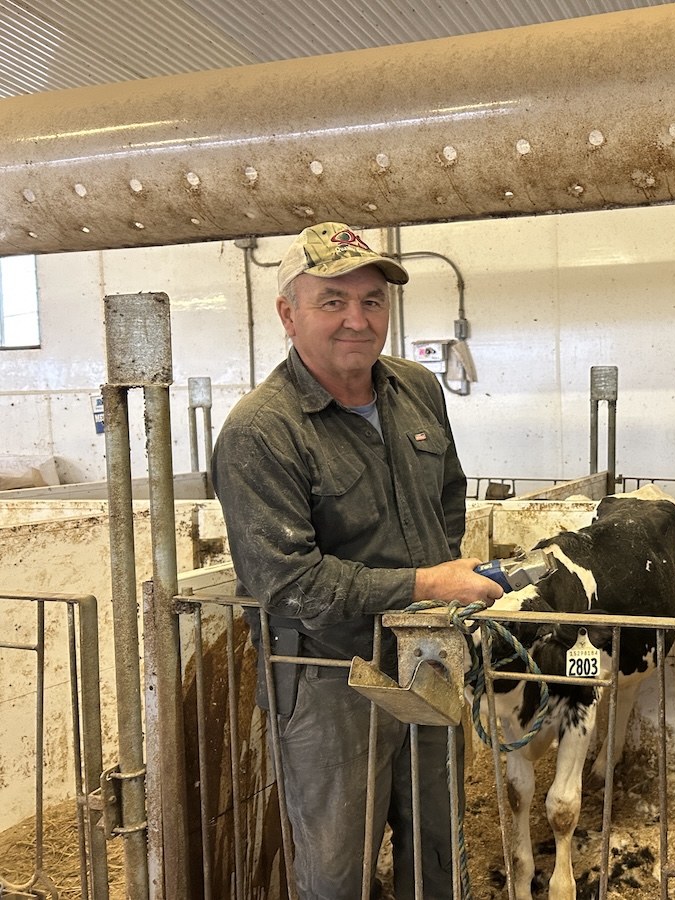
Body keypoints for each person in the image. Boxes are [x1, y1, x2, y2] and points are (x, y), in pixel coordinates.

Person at [210, 222, 502, 900]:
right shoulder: (262, 430)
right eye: (332, 301)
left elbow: (448, 498)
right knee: (338, 870)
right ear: (288, 314)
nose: (356, 319)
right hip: (328, 679)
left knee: (436, 850)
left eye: (371, 300)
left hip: (428, 659)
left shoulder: (415, 388)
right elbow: (288, 581)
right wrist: (429, 581)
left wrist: (432, 598)